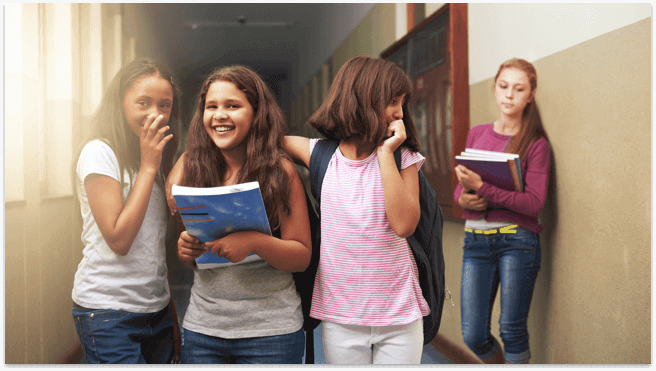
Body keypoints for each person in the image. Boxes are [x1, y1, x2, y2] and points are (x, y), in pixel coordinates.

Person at [283, 56, 428, 364]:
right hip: (341, 315)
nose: (399, 112)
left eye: (402, 103)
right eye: (392, 101)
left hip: (399, 316)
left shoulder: (405, 158)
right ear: (362, 97)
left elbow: (404, 225)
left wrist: (386, 153)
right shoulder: (320, 154)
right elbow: (258, 143)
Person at [165, 65, 311, 364]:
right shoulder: (194, 168)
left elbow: (301, 255)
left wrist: (254, 242)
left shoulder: (280, 171)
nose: (220, 115)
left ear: (256, 114)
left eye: (233, 106)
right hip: (202, 329)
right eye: (212, 107)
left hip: (272, 333)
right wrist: (185, 249)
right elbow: (193, 254)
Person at [71, 58, 181, 363]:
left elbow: (153, 251)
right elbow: (119, 241)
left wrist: (171, 316)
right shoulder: (99, 152)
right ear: (120, 104)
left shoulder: (153, 162)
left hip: (156, 312)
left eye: (165, 105)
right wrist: (148, 167)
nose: (155, 114)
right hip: (108, 313)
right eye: (143, 103)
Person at [454, 58, 550, 364]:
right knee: (473, 334)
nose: (509, 95)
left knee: (511, 330)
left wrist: (482, 188)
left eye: (518, 89)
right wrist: (464, 199)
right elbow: (461, 189)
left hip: (518, 243)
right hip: (475, 242)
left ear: (530, 95)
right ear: (495, 88)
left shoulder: (536, 144)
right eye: (503, 86)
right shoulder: (477, 133)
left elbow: (534, 204)